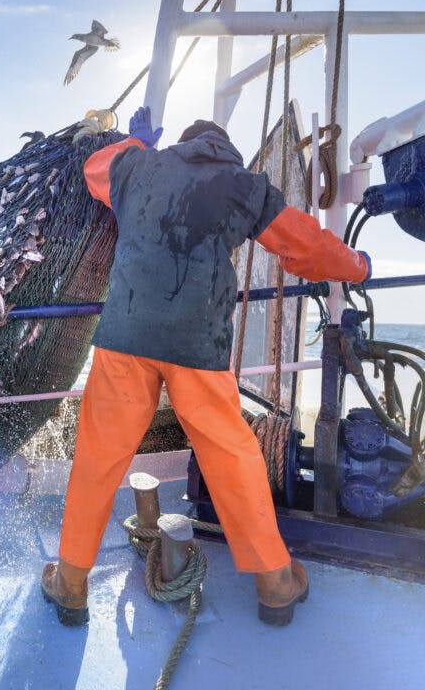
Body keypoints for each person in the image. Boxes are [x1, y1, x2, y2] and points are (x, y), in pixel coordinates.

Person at [41, 106, 371, 628]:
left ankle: (73, 583)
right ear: (226, 153)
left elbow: (93, 169)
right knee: (232, 455)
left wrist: (137, 144)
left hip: (126, 338)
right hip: (199, 345)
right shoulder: (242, 184)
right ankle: (275, 583)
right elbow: (303, 246)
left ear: (182, 146)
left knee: (99, 457)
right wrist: (358, 265)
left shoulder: (137, 167)